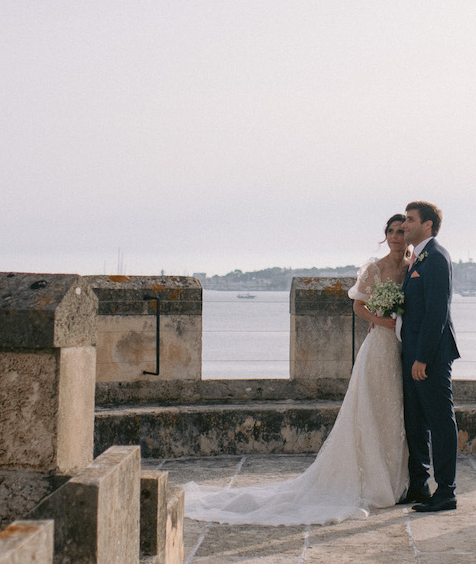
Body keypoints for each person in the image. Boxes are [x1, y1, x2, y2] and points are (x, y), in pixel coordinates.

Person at [182, 215, 411, 525]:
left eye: (401, 231)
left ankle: (397, 478)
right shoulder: (375, 268)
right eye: (391, 231)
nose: (396, 236)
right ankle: (373, 480)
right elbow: (358, 306)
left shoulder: (412, 266)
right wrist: (384, 321)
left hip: (401, 347)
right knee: (372, 411)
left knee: (394, 412)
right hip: (380, 346)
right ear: (384, 236)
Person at [399, 200, 461, 512]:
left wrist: (422, 357)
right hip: (411, 353)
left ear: (427, 225)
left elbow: (437, 311)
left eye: (410, 220)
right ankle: (419, 485)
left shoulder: (436, 257)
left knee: (439, 421)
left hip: (431, 356)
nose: (404, 224)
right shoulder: (416, 259)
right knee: (415, 421)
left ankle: (446, 491)